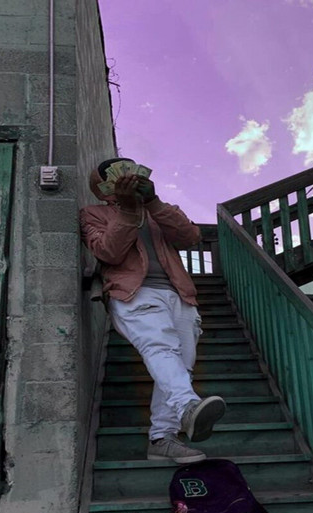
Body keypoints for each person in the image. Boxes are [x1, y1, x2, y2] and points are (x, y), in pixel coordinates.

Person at [80, 157, 225, 464]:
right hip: (132, 292)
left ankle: (162, 438)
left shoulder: (158, 209)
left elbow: (190, 237)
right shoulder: (93, 214)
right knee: (160, 348)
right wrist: (128, 210)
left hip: (179, 293)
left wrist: (153, 202)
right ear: (104, 187)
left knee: (180, 365)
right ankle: (187, 407)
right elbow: (108, 252)